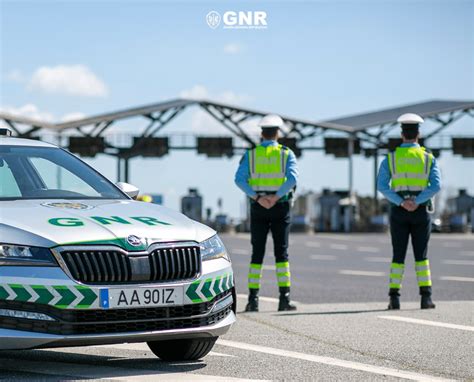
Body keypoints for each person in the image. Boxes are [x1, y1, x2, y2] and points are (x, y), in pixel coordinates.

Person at [234, 114, 299, 312]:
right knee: (282, 253)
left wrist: (258, 198)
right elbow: (292, 178)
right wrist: (277, 197)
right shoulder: (287, 154)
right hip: (280, 206)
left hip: (258, 206)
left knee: (257, 254)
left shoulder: (251, 155)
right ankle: (284, 299)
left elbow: (239, 179)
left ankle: (253, 300)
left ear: (262, 133)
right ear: (277, 133)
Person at [377, 113, 441, 310]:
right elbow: (436, 185)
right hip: (420, 212)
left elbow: (382, 186)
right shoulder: (428, 158)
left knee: (398, 256)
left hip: (399, 212)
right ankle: (426, 298)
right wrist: (417, 201)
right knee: (421, 256)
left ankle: (394, 299)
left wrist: (401, 202)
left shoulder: (391, 158)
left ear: (402, 133)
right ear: (418, 134)